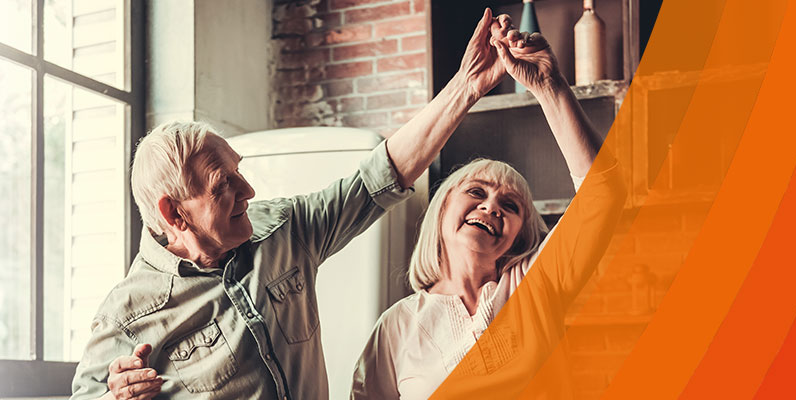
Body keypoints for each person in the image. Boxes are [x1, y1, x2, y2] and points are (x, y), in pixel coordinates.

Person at [70, 9, 517, 400]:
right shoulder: (127, 316)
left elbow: (381, 176)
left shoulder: (284, 228)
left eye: (239, 170)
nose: (248, 191)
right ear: (174, 214)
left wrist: (467, 87)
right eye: (223, 184)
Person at [349, 15, 629, 400]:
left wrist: (549, 87)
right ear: (442, 208)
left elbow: (603, 194)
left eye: (510, 205)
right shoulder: (396, 326)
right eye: (477, 192)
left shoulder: (534, 286)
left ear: (518, 235)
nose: (492, 206)